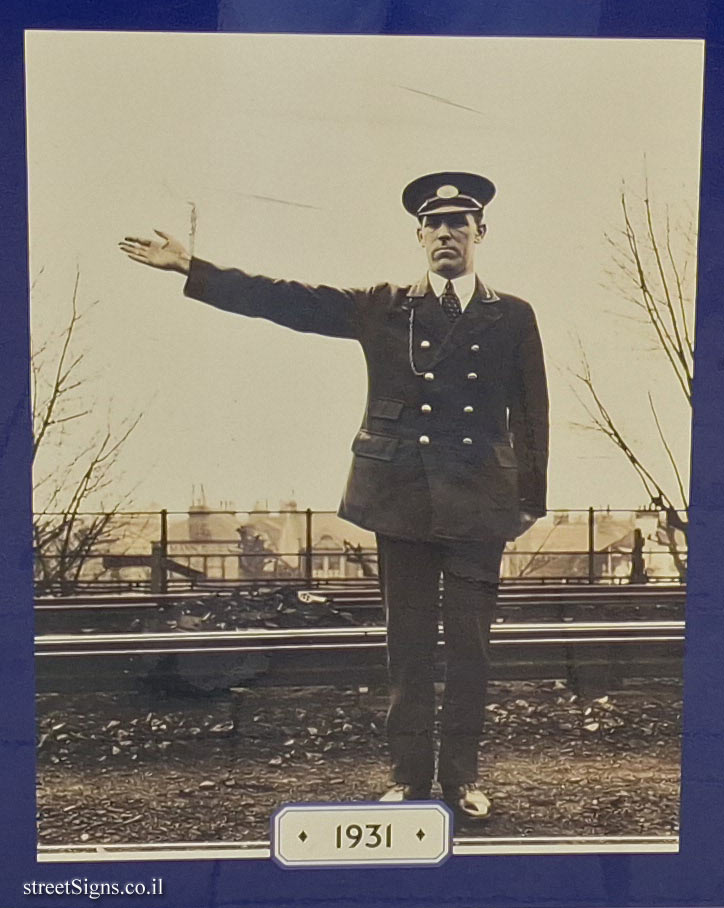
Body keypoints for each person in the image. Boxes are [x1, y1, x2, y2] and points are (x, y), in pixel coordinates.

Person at [119, 171, 549, 820]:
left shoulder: (512, 315)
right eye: (433, 224)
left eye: (458, 224)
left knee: (469, 650)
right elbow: (289, 299)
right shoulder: (383, 305)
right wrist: (195, 269)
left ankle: (461, 781)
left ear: (479, 233)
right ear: (418, 235)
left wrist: (527, 504)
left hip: (478, 508)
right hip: (399, 499)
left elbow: (532, 416)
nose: (445, 235)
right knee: (406, 649)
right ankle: (409, 780)